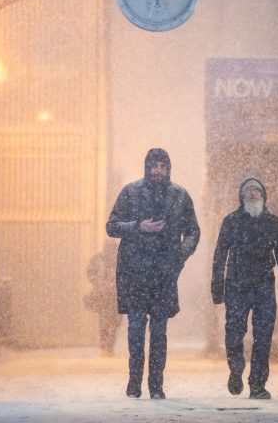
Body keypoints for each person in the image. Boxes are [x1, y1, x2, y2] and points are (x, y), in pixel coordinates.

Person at [106, 148, 200, 400]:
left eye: (162, 166)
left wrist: (180, 255)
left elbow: (193, 231)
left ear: (168, 168)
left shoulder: (180, 196)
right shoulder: (131, 192)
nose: (158, 171)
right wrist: (139, 227)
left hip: (164, 274)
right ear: (146, 167)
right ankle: (134, 381)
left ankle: (156, 385)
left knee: (159, 332)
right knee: (136, 330)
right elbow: (111, 226)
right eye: (153, 166)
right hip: (135, 273)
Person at [211, 178, 278, 400]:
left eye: (257, 190)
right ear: (241, 195)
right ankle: (236, 369)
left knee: (263, 337)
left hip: (263, 286)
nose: (252, 193)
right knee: (234, 333)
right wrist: (217, 288)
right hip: (236, 285)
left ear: (263, 195)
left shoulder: (272, 222)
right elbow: (220, 255)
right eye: (248, 190)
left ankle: (258, 384)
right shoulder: (231, 221)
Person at [83, 238, 122, 356]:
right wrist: (98, 282)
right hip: (104, 296)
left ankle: (108, 345)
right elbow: (90, 273)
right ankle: (106, 345)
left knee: (115, 321)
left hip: (116, 296)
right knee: (106, 321)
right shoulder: (99, 260)